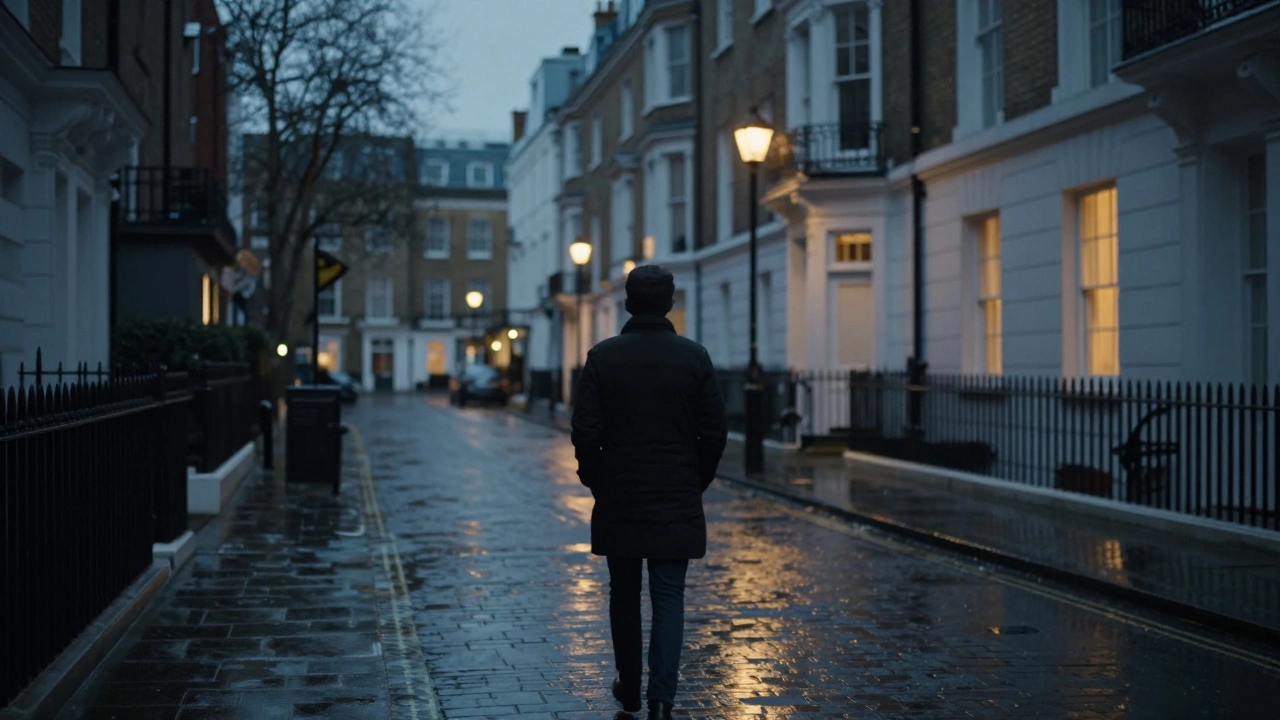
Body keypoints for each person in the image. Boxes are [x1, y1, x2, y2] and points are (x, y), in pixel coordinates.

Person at [571, 264, 728, 719]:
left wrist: (596, 478)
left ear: (627, 303)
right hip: (675, 492)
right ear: (670, 303)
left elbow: (585, 431)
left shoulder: (603, 356)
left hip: (619, 492)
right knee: (668, 596)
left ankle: (631, 687)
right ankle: (662, 700)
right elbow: (715, 431)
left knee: (623, 593)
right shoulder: (694, 357)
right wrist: (694, 478)